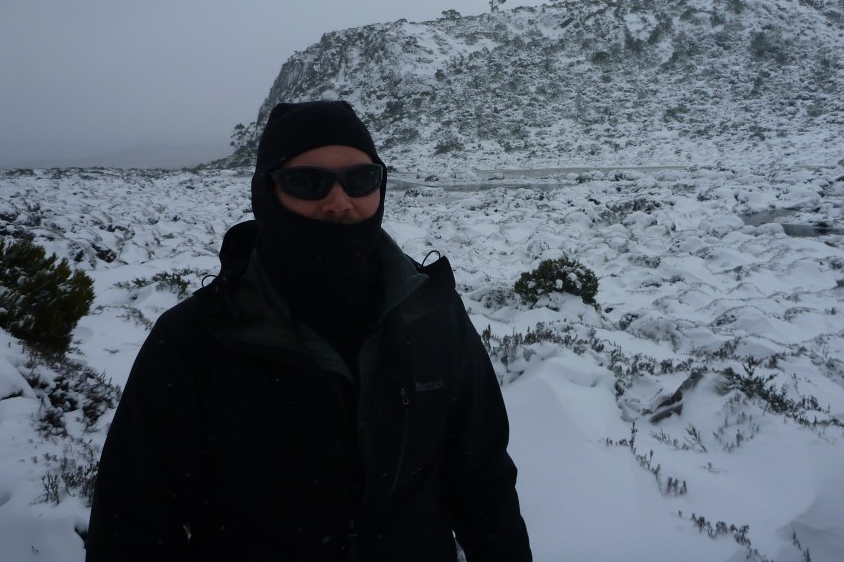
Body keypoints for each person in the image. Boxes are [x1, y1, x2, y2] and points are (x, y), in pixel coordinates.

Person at [86, 101, 532, 561]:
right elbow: (132, 527)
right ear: (266, 193)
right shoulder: (196, 339)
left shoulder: (434, 315)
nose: (339, 202)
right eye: (307, 182)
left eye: (360, 179)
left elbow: (484, 484)